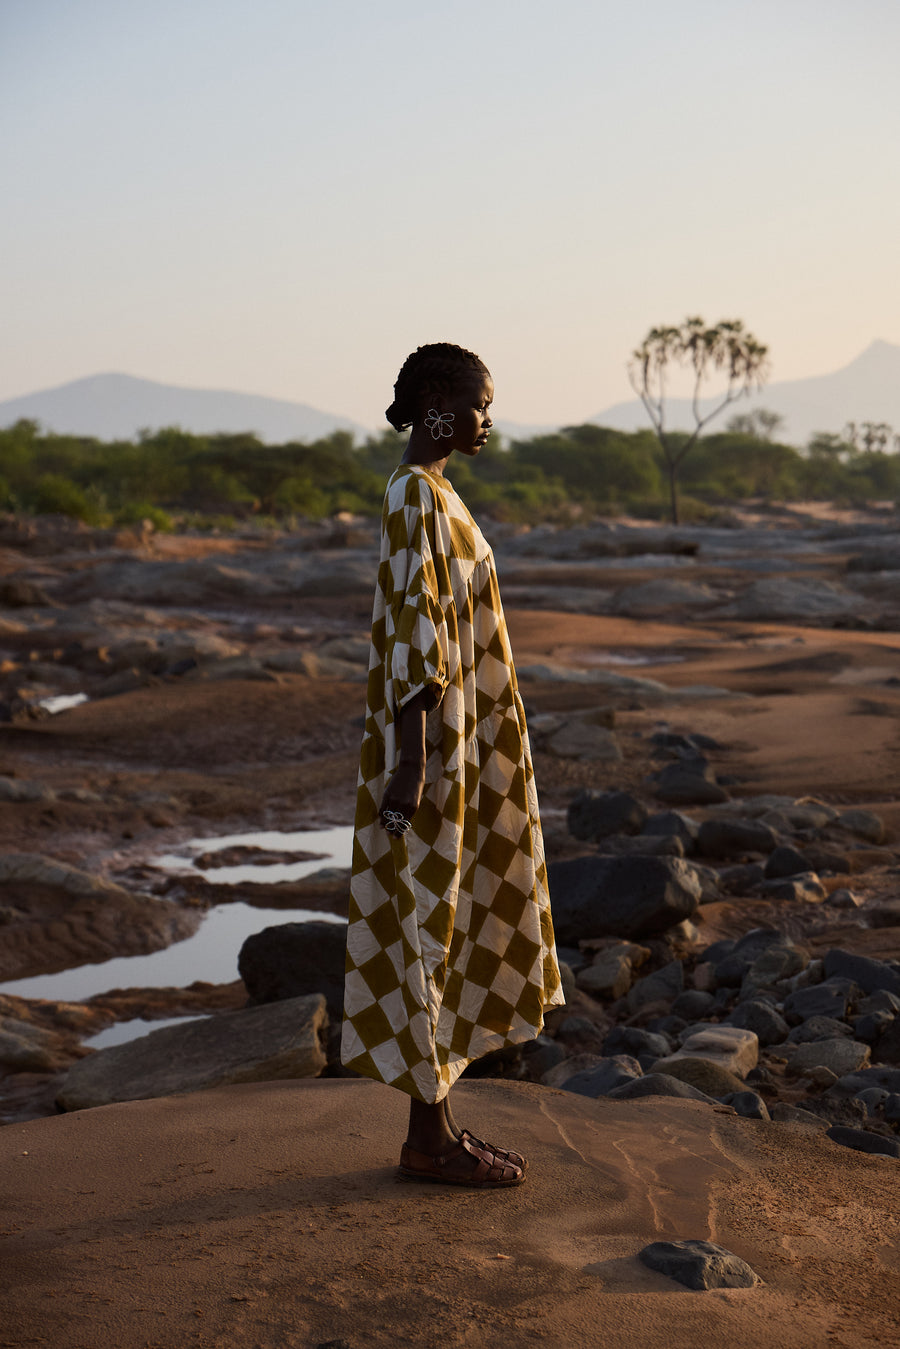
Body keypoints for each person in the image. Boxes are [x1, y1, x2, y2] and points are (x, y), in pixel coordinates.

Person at [341, 342, 563, 1188]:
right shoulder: (410, 497)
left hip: (460, 741)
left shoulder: (435, 493)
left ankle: (433, 1128)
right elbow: (413, 633)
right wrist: (412, 763)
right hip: (430, 750)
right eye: (477, 402)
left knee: (447, 917)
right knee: (425, 921)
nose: (486, 419)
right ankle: (427, 1144)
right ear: (435, 399)